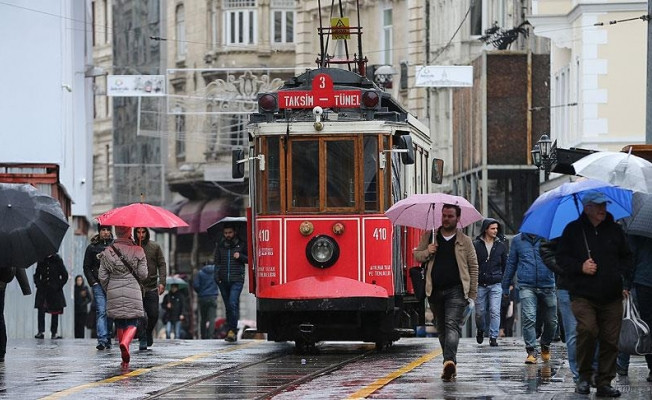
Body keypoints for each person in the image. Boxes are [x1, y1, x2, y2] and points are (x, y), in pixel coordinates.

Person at [556, 190, 633, 397]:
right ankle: (583, 376)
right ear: (587, 207)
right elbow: (561, 259)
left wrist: (624, 281)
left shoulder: (615, 231)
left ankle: (604, 382)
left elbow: (627, 258)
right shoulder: (573, 230)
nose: (602, 209)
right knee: (587, 330)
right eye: (598, 205)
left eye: (604, 205)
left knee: (610, 339)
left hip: (612, 295)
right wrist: (580, 267)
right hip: (582, 295)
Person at [413, 203, 478, 381]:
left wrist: (472, 295)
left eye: (450, 216)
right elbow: (417, 255)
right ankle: (449, 363)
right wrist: (428, 250)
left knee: (451, 326)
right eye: (444, 215)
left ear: (457, 218)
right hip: (434, 290)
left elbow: (473, 268)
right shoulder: (431, 236)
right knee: (441, 328)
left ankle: (449, 361)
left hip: (456, 290)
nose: (446, 219)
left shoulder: (465, 241)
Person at [501, 232, 557, 364]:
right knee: (529, 317)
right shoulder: (517, 241)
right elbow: (511, 263)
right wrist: (505, 286)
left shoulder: (548, 238)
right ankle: (531, 350)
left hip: (547, 285)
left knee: (552, 321)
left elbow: (558, 259)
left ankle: (545, 344)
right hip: (527, 286)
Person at [98, 225, 148, 368]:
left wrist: (109, 288)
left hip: (113, 288)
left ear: (116, 232)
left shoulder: (108, 251)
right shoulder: (138, 250)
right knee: (133, 321)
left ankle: (124, 358)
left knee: (119, 321)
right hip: (133, 289)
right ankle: (125, 343)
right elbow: (143, 275)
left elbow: (102, 276)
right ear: (129, 232)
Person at [540, 238, 579, 382]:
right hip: (567, 286)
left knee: (593, 331)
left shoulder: (604, 228)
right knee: (573, 332)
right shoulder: (563, 228)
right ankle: (579, 376)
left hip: (595, 286)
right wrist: (564, 269)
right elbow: (545, 250)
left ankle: (596, 372)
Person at [616, 235, 652, 382]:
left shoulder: (639, 227)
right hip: (644, 279)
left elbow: (630, 256)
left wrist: (626, 284)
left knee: (637, 322)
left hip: (643, 280)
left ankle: (623, 364)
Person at [472, 218, 507, 347]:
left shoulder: (501, 245)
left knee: (494, 310)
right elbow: (472, 264)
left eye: (496, 228)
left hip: (496, 283)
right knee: (480, 313)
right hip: (480, 284)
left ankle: (493, 337)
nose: (495, 231)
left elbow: (505, 264)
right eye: (492, 228)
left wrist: (505, 280)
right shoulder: (476, 245)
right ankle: (480, 329)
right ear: (485, 229)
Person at [213, 223, 248, 342]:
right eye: (226, 233)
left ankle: (232, 330)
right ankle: (231, 330)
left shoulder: (242, 244)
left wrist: (240, 256)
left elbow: (250, 259)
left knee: (233, 303)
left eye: (230, 233)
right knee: (229, 306)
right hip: (223, 281)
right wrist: (216, 277)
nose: (228, 235)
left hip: (237, 279)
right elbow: (216, 262)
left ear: (235, 232)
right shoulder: (220, 246)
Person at [133, 227, 167, 350]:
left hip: (151, 286)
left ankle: (148, 332)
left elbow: (162, 264)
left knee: (153, 314)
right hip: (135, 286)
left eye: (143, 232)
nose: (140, 235)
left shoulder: (155, 247)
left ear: (147, 232)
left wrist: (162, 282)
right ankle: (142, 337)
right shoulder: (131, 247)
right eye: (138, 232)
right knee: (140, 315)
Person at [83, 224, 114, 350]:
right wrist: (93, 282)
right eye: (103, 230)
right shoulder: (92, 248)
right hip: (98, 284)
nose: (105, 232)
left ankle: (108, 337)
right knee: (101, 311)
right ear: (99, 231)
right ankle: (102, 339)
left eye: (107, 230)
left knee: (110, 312)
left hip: (113, 284)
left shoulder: (115, 247)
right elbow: (86, 267)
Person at [33, 253, 69, 339]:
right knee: (41, 310)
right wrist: (38, 285)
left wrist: (58, 285)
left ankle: (54, 332)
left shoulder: (57, 260)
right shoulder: (41, 260)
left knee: (55, 312)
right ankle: (40, 331)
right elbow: (37, 275)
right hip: (43, 290)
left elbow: (65, 275)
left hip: (54, 291)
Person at [193, 263, 218, 339]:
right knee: (212, 319)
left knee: (203, 318)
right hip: (212, 297)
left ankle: (203, 336)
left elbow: (196, 285)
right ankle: (210, 336)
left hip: (203, 298)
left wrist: (200, 292)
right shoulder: (215, 272)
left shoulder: (200, 273)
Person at [74, 275, 92, 339]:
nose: (79, 282)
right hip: (76, 310)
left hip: (83, 311)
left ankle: (81, 337)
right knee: (76, 325)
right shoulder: (75, 288)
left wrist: (84, 303)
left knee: (81, 325)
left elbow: (89, 298)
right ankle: (76, 337)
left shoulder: (85, 288)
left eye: (80, 280)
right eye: (78, 280)